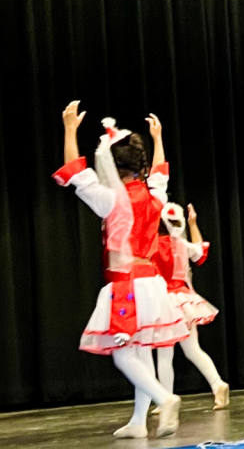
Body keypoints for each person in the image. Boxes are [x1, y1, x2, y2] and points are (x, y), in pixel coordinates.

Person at [53, 102, 186, 438]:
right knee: (140, 352)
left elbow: (74, 172)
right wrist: (157, 138)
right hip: (153, 283)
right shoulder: (154, 194)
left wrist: (70, 129)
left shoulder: (110, 199)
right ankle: (139, 422)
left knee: (123, 356)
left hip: (126, 283)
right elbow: (160, 173)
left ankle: (164, 398)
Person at [151, 202, 230, 410]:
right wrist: (193, 224)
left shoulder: (153, 245)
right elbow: (200, 253)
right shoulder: (181, 244)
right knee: (193, 350)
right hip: (185, 301)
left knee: (164, 353)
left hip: (165, 301)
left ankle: (165, 399)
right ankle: (217, 383)